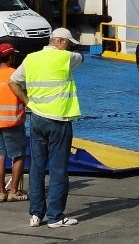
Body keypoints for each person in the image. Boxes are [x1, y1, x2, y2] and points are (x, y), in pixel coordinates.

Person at [8, 28, 84, 229]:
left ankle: (35, 214)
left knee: (37, 168)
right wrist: (68, 51)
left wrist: (27, 102)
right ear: (59, 42)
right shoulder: (66, 58)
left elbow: (13, 81)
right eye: (67, 43)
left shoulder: (31, 59)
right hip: (58, 119)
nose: (69, 46)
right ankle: (55, 216)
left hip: (37, 119)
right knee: (58, 169)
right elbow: (80, 57)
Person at [0, 42, 28, 203]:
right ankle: (13, 191)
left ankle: (0, 192)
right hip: (13, 122)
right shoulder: (16, 76)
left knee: (0, 156)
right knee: (17, 156)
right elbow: (24, 96)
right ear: (11, 57)